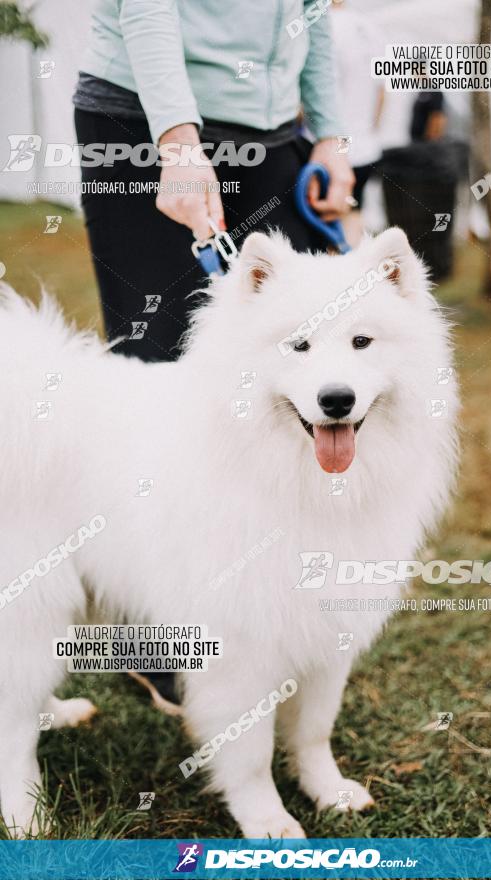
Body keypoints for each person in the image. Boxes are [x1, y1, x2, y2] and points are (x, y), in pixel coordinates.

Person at [72, 0, 354, 705]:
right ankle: (148, 636)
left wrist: (330, 137)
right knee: (162, 380)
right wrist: (176, 142)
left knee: (296, 374)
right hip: (143, 116)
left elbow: (312, 11)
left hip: (273, 131)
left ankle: (269, 613)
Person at [330, 0, 384, 245]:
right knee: (353, 213)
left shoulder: (324, 25)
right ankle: (354, 272)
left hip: (334, 148)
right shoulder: (369, 27)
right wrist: (368, 129)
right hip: (365, 147)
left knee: (330, 218)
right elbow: (382, 92)